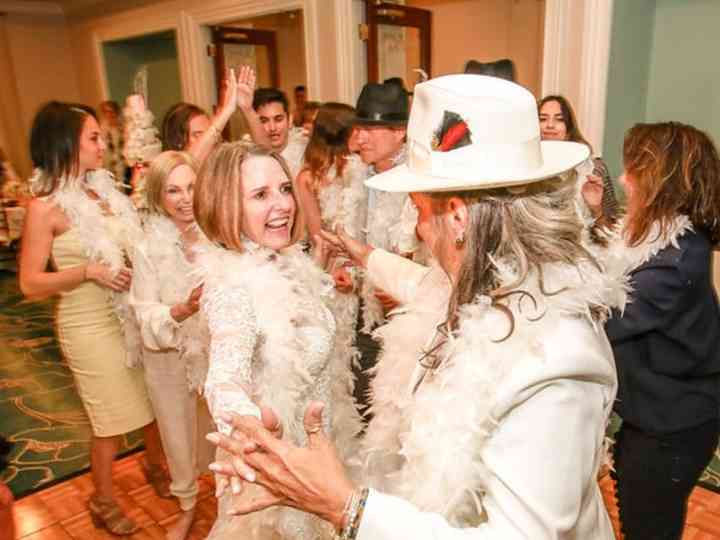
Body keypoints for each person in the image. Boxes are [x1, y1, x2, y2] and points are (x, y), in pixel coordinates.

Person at [206, 74, 626, 539]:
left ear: (458, 218)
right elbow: (426, 287)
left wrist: (347, 508)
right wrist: (364, 255)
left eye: (421, 212)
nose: (419, 230)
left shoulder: (553, 363)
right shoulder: (494, 283)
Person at [192, 142, 360, 539]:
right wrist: (249, 426)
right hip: (280, 478)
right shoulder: (231, 288)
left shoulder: (282, 259)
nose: (283, 204)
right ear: (225, 205)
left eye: (285, 189)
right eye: (261, 195)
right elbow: (224, 378)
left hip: (316, 461)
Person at [18, 101, 168, 535]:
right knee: (110, 420)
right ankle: (102, 499)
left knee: (151, 401)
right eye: (93, 138)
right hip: (87, 325)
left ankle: (153, 463)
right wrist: (88, 271)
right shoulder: (44, 208)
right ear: (66, 144)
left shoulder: (106, 192)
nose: (103, 145)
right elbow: (29, 283)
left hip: (130, 316)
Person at [585, 122, 720, 540]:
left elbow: (606, 315)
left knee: (649, 526)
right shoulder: (659, 237)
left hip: (676, 422)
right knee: (634, 502)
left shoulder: (677, 259)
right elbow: (622, 256)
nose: (623, 180)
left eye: (633, 172)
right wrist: (597, 218)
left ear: (660, 181)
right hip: (655, 411)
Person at [129, 151, 215, 540]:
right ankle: (187, 506)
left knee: (222, 427)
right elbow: (143, 312)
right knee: (178, 437)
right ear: (157, 197)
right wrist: (182, 309)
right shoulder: (147, 247)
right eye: (172, 190)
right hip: (168, 357)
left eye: (191, 187)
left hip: (216, 351)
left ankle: (232, 500)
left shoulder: (219, 233)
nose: (184, 199)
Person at [351, 80, 419, 421]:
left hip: (407, 322)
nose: (360, 137)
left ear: (400, 132)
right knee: (362, 409)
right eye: (359, 128)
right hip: (359, 314)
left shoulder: (418, 186)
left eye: (372, 128)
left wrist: (409, 291)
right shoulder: (353, 179)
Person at [538, 95, 619, 229]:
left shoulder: (594, 168)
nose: (550, 125)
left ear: (569, 128)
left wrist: (596, 209)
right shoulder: (525, 169)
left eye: (559, 119)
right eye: (543, 119)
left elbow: (611, 231)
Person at [161, 68, 240, 165]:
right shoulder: (172, 171)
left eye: (208, 133)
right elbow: (191, 161)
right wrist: (227, 110)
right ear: (178, 142)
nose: (210, 139)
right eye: (198, 135)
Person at [237, 85, 308, 180]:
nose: (272, 128)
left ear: (290, 120)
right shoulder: (245, 156)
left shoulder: (306, 151)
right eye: (264, 121)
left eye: (278, 119)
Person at [98, 100, 127, 190]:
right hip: (108, 163)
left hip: (121, 163)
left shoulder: (122, 127)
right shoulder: (101, 129)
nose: (109, 115)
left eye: (111, 111)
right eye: (106, 112)